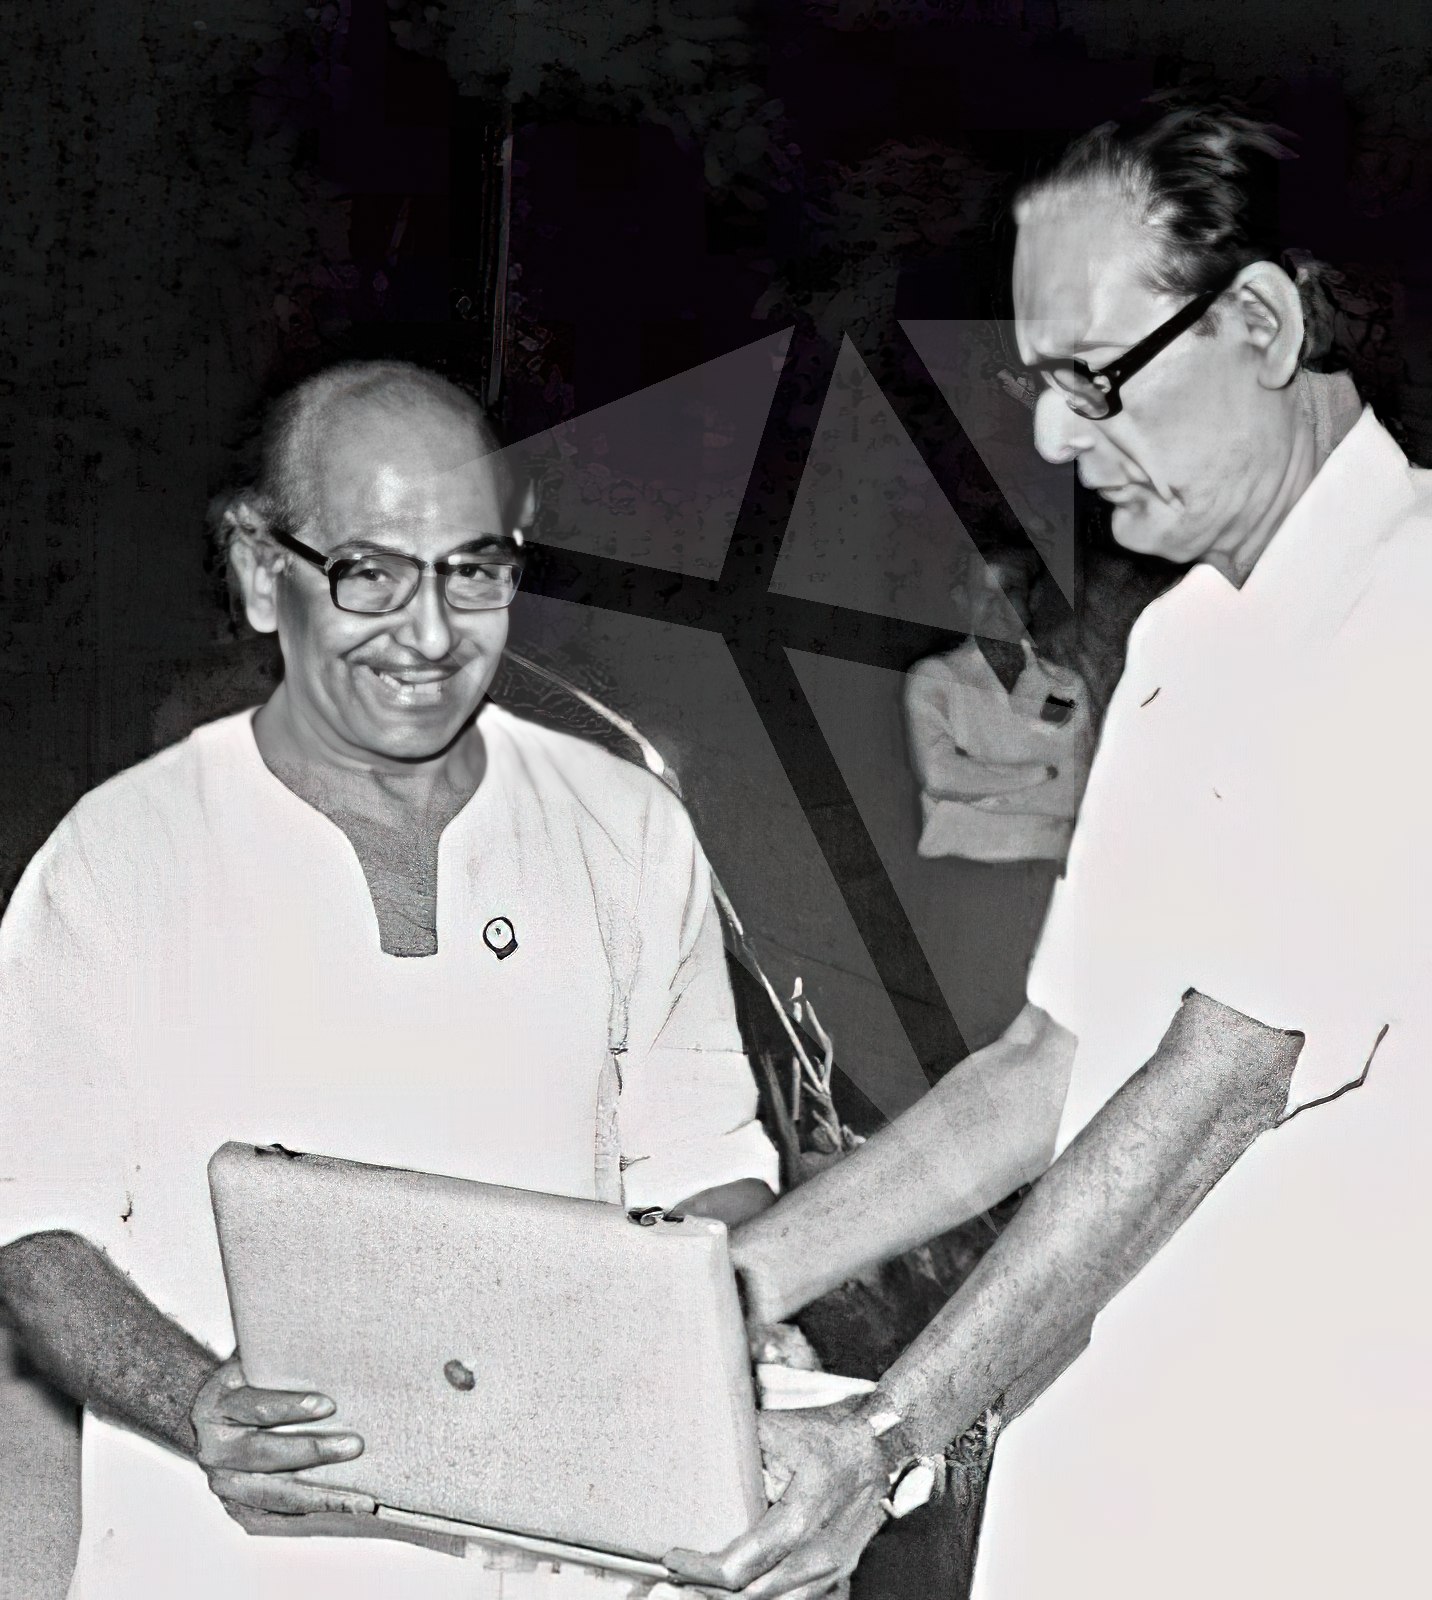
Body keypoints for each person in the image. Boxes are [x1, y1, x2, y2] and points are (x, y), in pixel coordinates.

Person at [665, 104, 1432, 1599]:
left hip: (1323, 1486)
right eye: (1038, 382)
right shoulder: (1186, 642)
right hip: (1124, 1466)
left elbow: (1221, 1078)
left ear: (1262, 323)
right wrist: (712, 1290)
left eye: (1093, 377)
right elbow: (1045, 1065)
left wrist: (883, 1435)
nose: (1049, 438)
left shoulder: (1406, 605)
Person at [0, 360, 778, 1599]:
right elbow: (40, 1229)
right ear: (262, 569)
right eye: (368, 572)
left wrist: (714, 1329)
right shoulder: (117, 854)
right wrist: (195, 1401)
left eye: (474, 570)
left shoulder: (625, 825)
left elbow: (703, 1165)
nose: (429, 635)